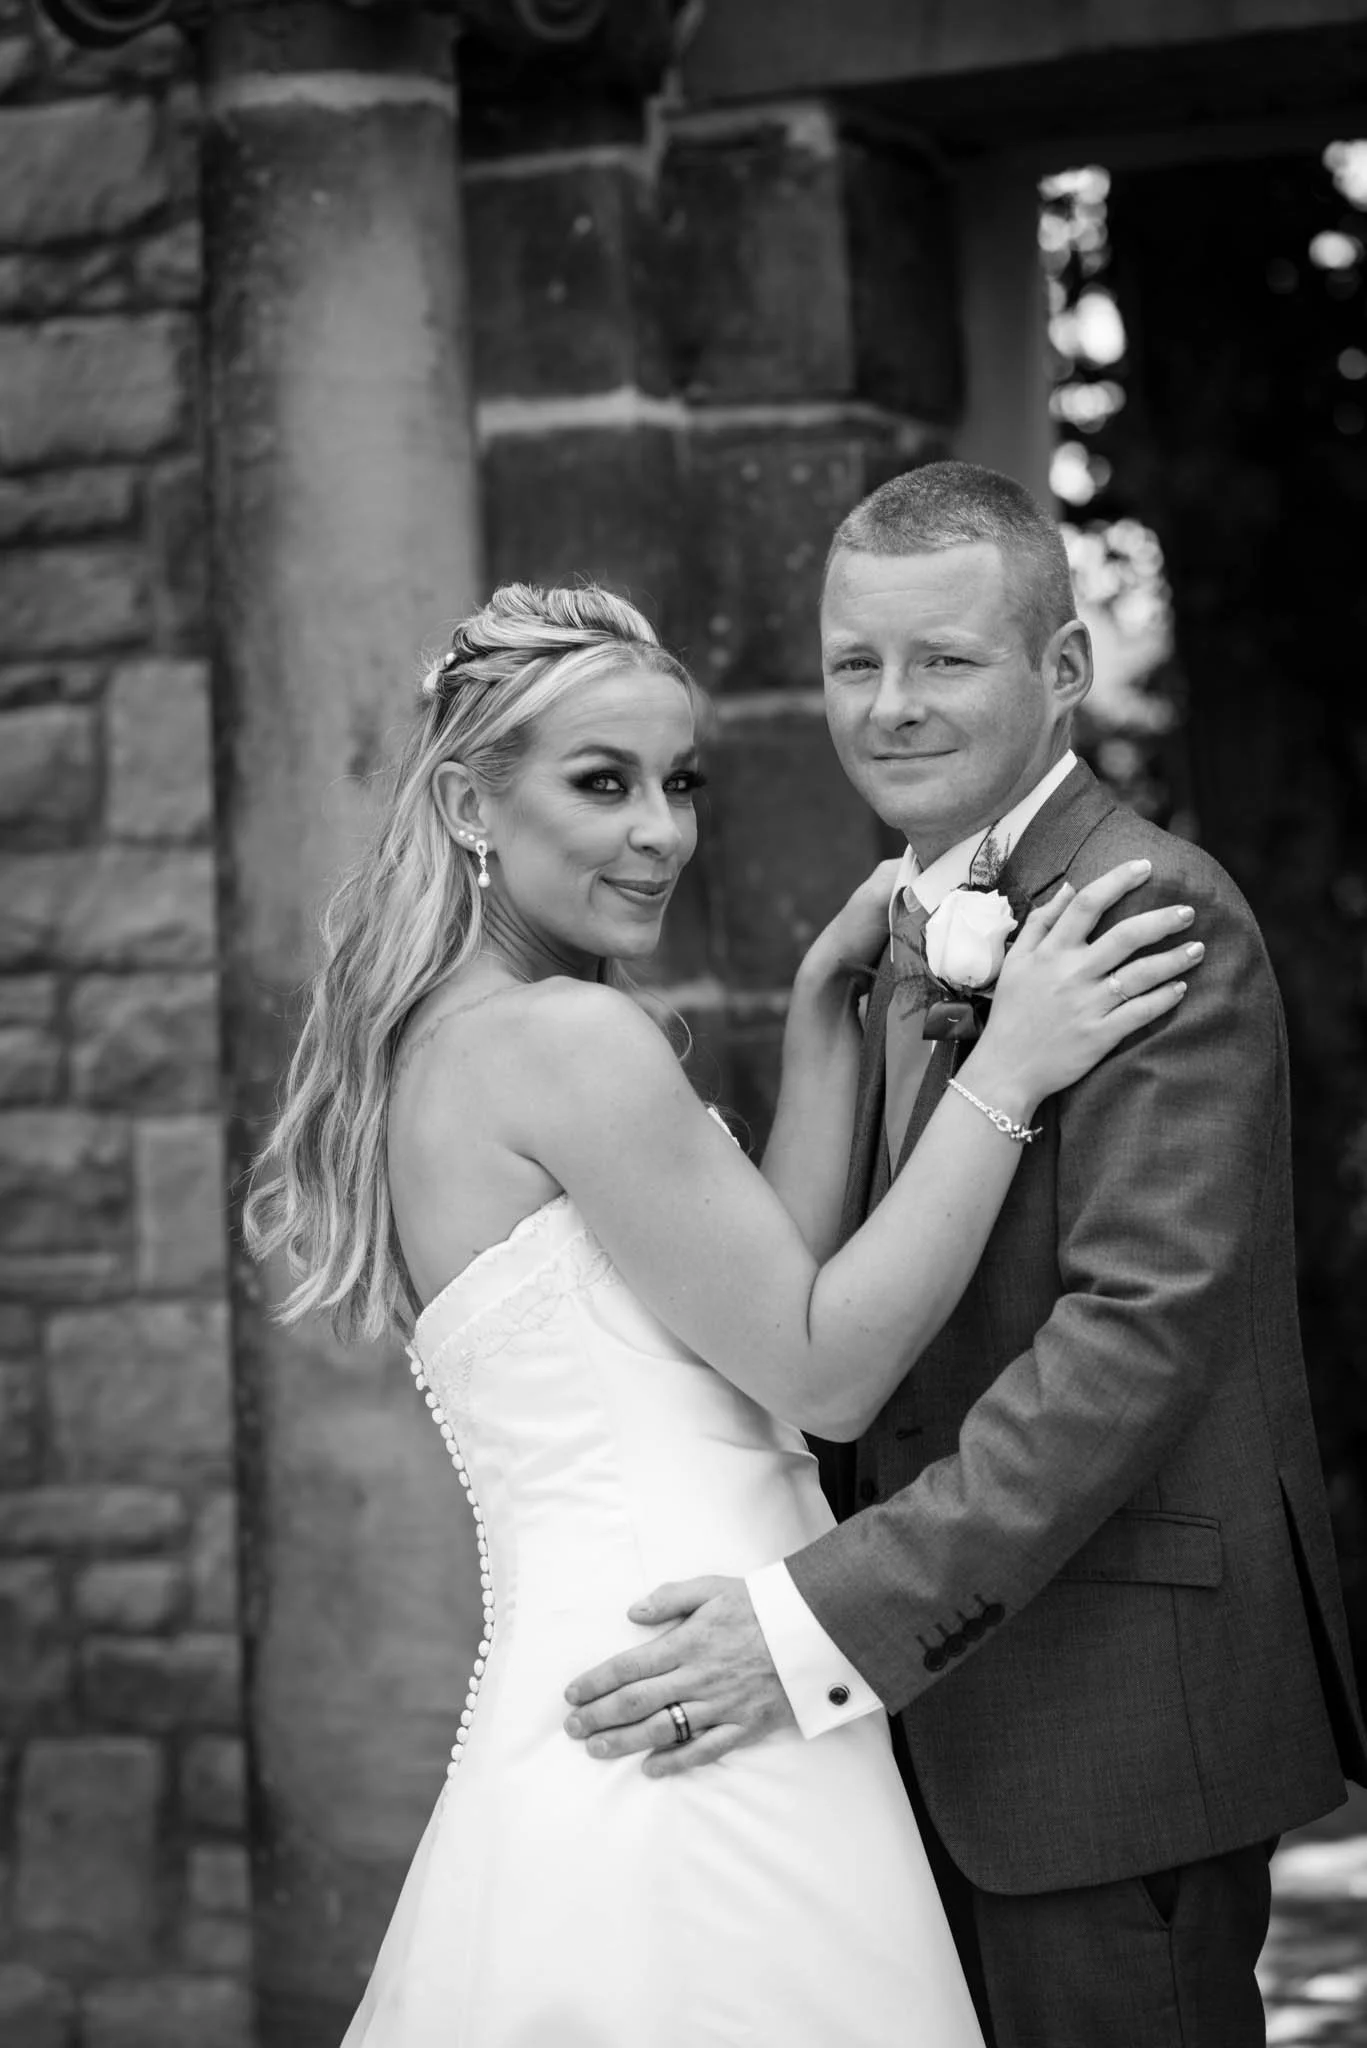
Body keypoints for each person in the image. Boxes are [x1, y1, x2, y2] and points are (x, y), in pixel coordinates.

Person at [244, 576, 1199, 2047]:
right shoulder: (571, 1043)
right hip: (711, 1709)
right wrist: (1008, 1068)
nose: (659, 833)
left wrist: (824, 1015)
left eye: (678, 783)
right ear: (468, 806)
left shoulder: (447, 1043)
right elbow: (825, 1374)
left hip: (607, 1688)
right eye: (602, 782)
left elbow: (753, 1304)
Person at [562, 465, 1367, 2048]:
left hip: (1109, 1719)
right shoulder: (896, 937)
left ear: (1061, 671)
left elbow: (1129, 1343)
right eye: (854, 661)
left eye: (943, 660)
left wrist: (813, 1622)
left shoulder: (1149, 914)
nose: (889, 706)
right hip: (920, 1724)